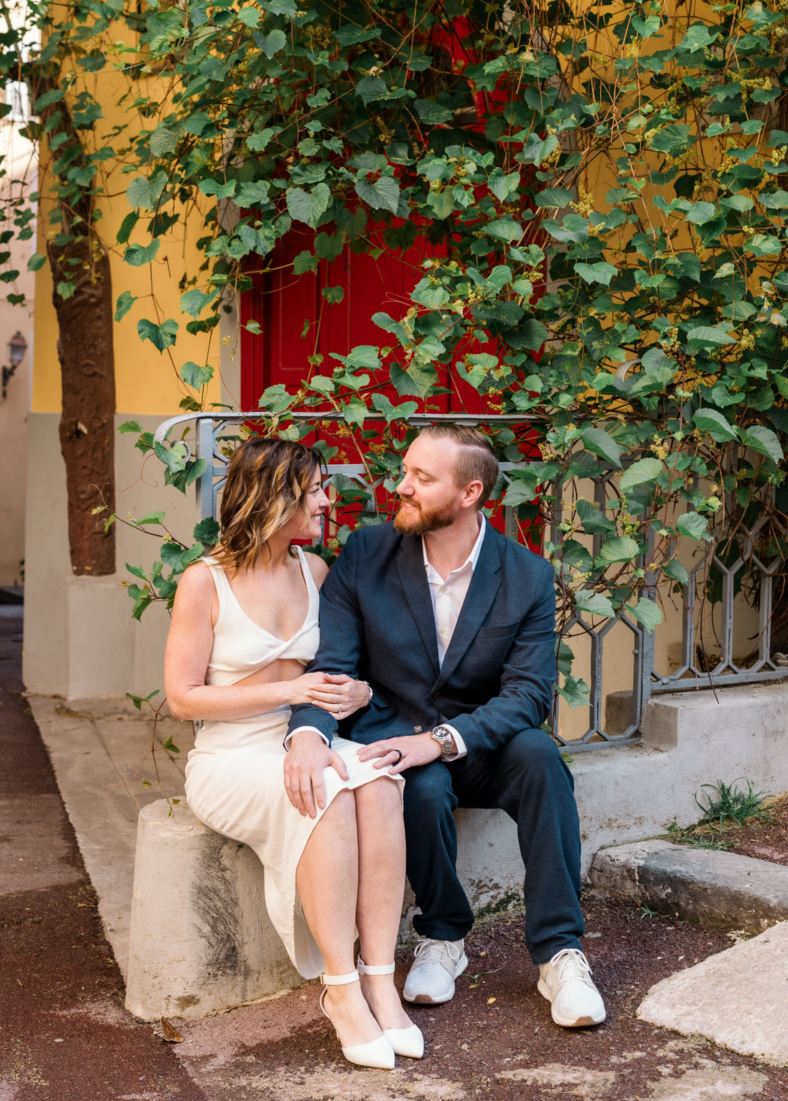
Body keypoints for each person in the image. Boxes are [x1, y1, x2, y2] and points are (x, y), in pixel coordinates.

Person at [285, 424, 606, 1028]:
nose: (400, 486)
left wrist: (437, 741)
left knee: (540, 759)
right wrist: (308, 732)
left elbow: (530, 693)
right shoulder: (367, 553)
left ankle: (560, 953)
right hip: (394, 742)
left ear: (469, 493)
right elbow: (333, 664)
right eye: (405, 471)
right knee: (421, 787)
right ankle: (442, 936)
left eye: (421, 479)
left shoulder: (527, 576)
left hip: (481, 744)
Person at [164, 436, 423, 1071]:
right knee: (329, 794)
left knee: (382, 783)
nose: (328, 503)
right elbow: (182, 698)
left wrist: (356, 690)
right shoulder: (204, 583)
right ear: (273, 499)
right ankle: (341, 990)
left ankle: (381, 978)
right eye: (315, 492)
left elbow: (340, 670)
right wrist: (290, 687)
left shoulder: (315, 572)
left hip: (311, 735)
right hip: (230, 757)